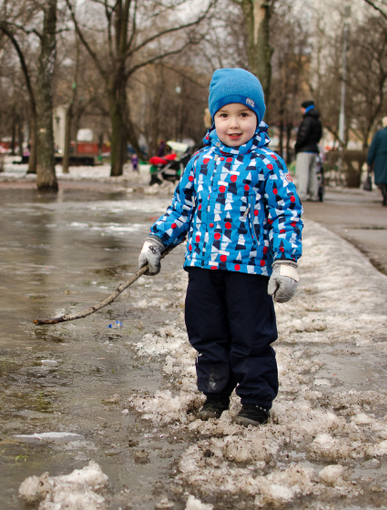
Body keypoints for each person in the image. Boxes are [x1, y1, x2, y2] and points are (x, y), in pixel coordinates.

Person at [137, 68, 303, 426]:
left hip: (250, 271)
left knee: (251, 336)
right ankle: (214, 392)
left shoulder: (268, 164)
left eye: (243, 114)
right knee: (207, 333)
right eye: (224, 115)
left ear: (257, 118)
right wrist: (158, 241)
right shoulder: (200, 162)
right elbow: (181, 209)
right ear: (213, 119)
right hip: (204, 267)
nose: (233, 124)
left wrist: (286, 261)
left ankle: (256, 400)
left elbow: (286, 214)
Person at [294, 100, 323, 201]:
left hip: (304, 150)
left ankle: (302, 194)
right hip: (314, 150)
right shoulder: (317, 121)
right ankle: (314, 194)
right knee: (312, 172)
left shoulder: (307, 120)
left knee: (303, 172)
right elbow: (319, 136)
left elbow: (302, 136)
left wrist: (297, 146)